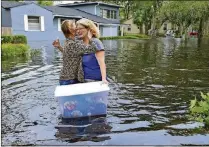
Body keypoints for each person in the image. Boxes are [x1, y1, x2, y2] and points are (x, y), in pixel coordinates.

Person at [52, 20, 97, 85]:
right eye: (74, 25)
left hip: (67, 78)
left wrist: (59, 47)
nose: (77, 27)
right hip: (69, 80)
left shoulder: (69, 41)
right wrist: (90, 38)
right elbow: (92, 49)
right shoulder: (72, 43)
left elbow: (69, 54)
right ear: (70, 29)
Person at [76, 18, 108, 84]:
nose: (78, 31)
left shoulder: (96, 42)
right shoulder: (79, 43)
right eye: (77, 29)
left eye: (80, 28)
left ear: (88, 29)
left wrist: (104, 79)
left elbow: (102, 63)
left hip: (95, 81)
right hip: (83, 80)